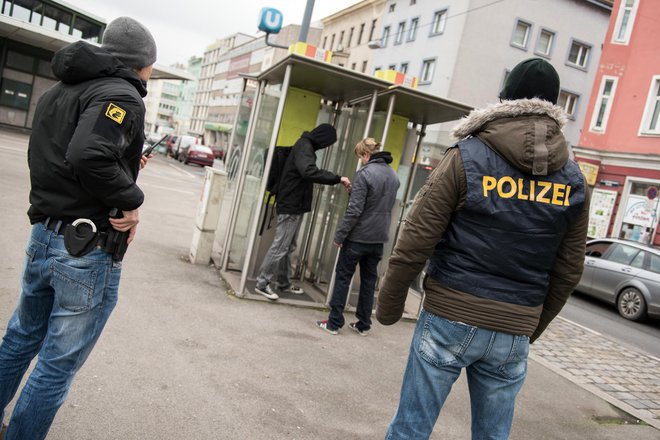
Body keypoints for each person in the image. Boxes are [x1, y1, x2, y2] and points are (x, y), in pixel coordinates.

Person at [377, 58, 591, 439]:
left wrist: (389, 305)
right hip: (515, 326)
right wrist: (528, 327)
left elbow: (416, 238)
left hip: (450, 313)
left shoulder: (467, 156)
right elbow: (569, 268)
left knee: (411, 429)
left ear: (504, 100)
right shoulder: (573, 179)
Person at [0, 17, 157, 440]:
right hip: (85, 249)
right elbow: (87, 155)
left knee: (20, 338)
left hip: (45, 234)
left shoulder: (61, 91)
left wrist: (124, 165)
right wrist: (132, 200)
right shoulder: (122, 94)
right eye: (152, 68)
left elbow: (62, 154)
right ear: (143, 63)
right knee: (56, 364)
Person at [255, 123, 351, 301]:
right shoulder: (304, 147)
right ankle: (262, 283)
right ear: (322, 139)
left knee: (288, 246)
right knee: (280, 246)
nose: (325, 147)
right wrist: (338, 178)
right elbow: (308, 171)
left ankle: (283, 282)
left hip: (294, 204)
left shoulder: (304, 146)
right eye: (327, 143)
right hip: (291, 205)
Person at [316, 138, 400, 336]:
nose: (361, 161)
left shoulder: (365, 173)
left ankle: (334, 323)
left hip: (358, 237)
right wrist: (355, 192)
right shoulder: (393, 174)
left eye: (360, 157)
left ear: (365, 154)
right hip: (378, 238)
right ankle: (363, 324)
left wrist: (339, 236)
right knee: (369, 280)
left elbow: (355, 211)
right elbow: (377, 204)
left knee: (344, 276)